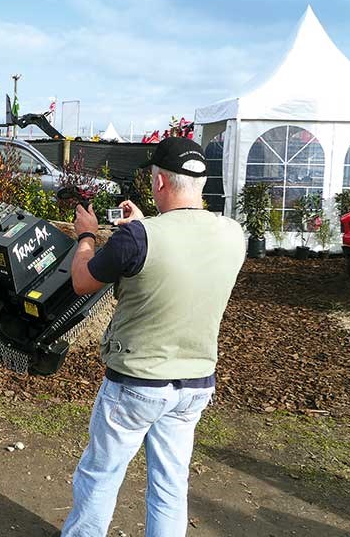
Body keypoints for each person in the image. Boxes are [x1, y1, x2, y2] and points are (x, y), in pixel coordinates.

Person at [61, 138, 245, 536]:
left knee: (101, 474)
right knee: (170, 484)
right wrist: (147, 223)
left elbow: (81, 281)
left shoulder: (138, 239)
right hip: (195, 384)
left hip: (136, 383)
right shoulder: (234, 234)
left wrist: (86, 236)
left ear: (159, 182)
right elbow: (184, 250)